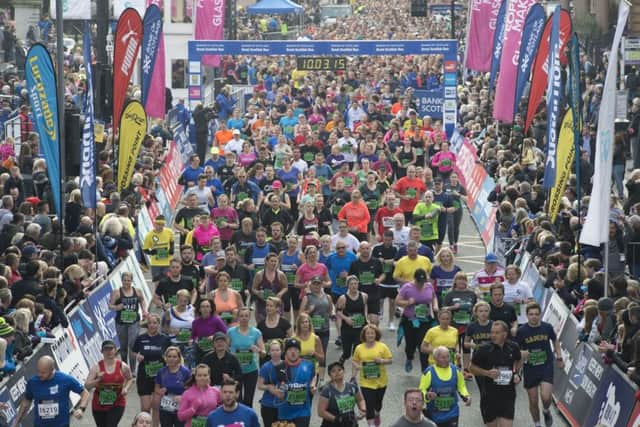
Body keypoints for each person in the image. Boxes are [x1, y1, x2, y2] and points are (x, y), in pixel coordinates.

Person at [515, 302, 563, 427]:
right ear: (527, 315)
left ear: (540, 314)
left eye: (536, 314)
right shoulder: (521, 331)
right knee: (533, 400)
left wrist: (559, 356)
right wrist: (517, 369)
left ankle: (546, 410)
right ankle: (537, 424)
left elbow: (555, 340)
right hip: (530, 368)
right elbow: (515, 351)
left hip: (546, 366)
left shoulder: (547, 327)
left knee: (546, 397)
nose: (534, 317)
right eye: (531, 314)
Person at [12, 355, 91, 427]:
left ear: (52, 369)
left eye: (43, 372)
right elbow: (26, 401)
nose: (39, 374)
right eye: (38, 371)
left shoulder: (65, 379)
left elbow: (85, 393)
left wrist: (81, 409)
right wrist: (17, 421)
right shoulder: (33, 382)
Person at [469, 321, 522, 427]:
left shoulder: (513, 347)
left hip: (508, 394)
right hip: (490, 395)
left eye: (497, 333)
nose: (493, 335)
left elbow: (519, 360)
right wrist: (487, 373)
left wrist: (516, 373)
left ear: (505, 334)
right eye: (492, 332)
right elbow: (471, 367)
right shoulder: (484, 349)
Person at [396, 268, 438, 373]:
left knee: (422, 344)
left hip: (425, 320)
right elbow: (397, 301)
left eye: (423, 282)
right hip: (410, 320)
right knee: (410, 344)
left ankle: (425, 369)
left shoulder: (428, 286)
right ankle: (409, 358)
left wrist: (435, 306)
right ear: (414, 279)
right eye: (419, 282)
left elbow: (433, 297)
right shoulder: (407, 287)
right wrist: (407, 302)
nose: (420, 284)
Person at [85, 339, 135, 427]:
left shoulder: (122, 366)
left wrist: (126, 388)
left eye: (111, 349)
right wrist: (97, 380)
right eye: (106, 349)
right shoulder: (96, 368)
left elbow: (130, 379)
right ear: (102, 351)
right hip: (99, 405)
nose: (109, 352)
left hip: (117, 403)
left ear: (115, 350)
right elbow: (87, 386)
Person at [133, 313, 172, 424]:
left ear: (158, 324)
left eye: (155, 323)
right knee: (145, 408)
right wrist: (137, 356)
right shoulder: (141, 338)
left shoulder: (165, 339)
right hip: (144, 376)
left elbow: (172, 353)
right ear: (147, 324)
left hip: (160, 377)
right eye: (150, 323)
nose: (152, 325)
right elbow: (133, 351)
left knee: (156, 406)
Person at [419, 346, 471, 427]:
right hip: (434, 413)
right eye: (443, 357)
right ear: (435, 358)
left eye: (448, 356)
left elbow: (461, 386)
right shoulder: (429, 372)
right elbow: (421, 390)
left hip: (452, 413)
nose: (446, 359)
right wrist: (427, 395)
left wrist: (466, 396)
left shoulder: (456, 370)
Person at [352, 324, 393, 427]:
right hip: (366, 382)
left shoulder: (382, 346)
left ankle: (377, 413)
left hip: (381, 381)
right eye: (368, 333)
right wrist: (356, 369)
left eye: (372, 333)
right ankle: (371, 424)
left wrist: (382, 361)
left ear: (376, 334)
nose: (370, 335)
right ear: (364, 335)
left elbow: (390, 360)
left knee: (378, 403)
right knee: (369, 403)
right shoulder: (359, 348)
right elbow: (355, 361)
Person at [227, 306, 265, 406]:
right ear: (238, 317)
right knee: (236, 399)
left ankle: (247, 421)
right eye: (241, 316)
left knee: (248, 400)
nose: (244, 318)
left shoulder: (256, 332)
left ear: (249, 317)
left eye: (246, 316)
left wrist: (258, 350)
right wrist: (231, 355)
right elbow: (225, 349)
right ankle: (237, 421)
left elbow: (264, 353)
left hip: (251, 370)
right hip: (235, 370)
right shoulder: (231, 332)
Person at [110, 271, 147, 371]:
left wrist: (144, 310)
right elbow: (110, 305)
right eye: (124, 280)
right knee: (123, 346)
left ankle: (133, 370)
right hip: (121, 322)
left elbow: (142, 300)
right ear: (121, 281)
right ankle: (124, 366)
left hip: (134, 321)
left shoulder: (137, 291)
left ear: (132, 281)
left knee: (132, 345)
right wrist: (117, 307)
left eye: (128, 280)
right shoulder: (117, 293)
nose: (126, 283)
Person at [442, 273, 477, 378]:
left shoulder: (471, 294)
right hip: (453, 325)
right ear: (455, 281)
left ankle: (466, 369)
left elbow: (475, 308)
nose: (462, 282)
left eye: (464, 280)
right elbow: (443, 309)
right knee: (454, 347)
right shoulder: (450, 294)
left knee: (466, 347)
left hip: (467, 325)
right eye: (459, 280)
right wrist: (453, 307)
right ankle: (455, 367)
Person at [277, 337, 317, 427]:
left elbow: (314, 376)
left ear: (299, 352)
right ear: (286, 352)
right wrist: (278, 392)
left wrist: (313, 386)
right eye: (290, 349)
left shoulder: (309, 364)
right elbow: (270, 385)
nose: (293, 352)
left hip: (303, 412)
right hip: (285, 412)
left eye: (296, 349)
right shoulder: (279, 366)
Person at [300, 275, 333, 378]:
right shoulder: (307, 297)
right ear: (311, 285)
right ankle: (310, 375)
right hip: (311, 331)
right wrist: (309, 311)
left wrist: (332, 315)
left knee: (322, 354)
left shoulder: (327, 297)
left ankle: (321, 379)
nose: (316, 286)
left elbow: (330, 310)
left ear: (322, 285)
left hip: (324, 329)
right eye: (314, 284)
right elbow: (301, 314)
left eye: (318, 284)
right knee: (310, 354)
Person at [318, 361, 366, 427]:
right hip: (332, 424)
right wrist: (337, 419)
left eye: (339, 370)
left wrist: (363, 410)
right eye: (333, 371)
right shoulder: (327, 390)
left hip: (350, 423)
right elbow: (321, 412)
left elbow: (360, 400)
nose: (337, 372)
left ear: (344, 371)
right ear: (330, 375)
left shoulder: (352, 387)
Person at [154, 346, 192, 427]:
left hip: (181, 407)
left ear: (179, 358)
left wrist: (183, 397)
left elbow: (191, 390)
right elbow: (156, 388)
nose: (171, 359)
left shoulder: (185, 372)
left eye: (174, 357)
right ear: (166, 358)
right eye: (169, 356)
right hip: (165, 408)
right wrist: (160, 391)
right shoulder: (161, 371)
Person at [336, 275, 368, 364]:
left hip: (360, 328)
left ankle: (354, 376)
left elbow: (365, 306)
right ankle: (341, 362)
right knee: (347, 353)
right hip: (347, 329)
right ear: (348, 285)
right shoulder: (343, 298)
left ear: (358, 284)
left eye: (355, 283)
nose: (354, 286)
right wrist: (346, 319)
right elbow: (338, 312)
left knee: (356, 352)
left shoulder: (364, 296)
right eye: (351, 284)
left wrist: (366, 318)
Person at [372, 230, 400, 331]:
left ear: (392, 239)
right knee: (380, 299)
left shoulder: (396, 248)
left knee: (392, 302)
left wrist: (387, 261)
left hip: (393, 279)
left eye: (389, 240)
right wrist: (379, 261)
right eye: (385, 239)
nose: (387, 241)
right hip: (381, 278)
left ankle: (391, 321)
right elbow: (373, 260)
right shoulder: (376, 248)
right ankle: (380, 311)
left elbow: (398, 261)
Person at [257, 339, 286, 427]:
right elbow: (260, 385)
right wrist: (269, 387)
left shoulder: (286, 365)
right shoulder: (265, 367)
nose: (275, 352)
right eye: (272, 350)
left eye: (277, 350)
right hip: (268, 404)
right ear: (269, 352)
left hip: (283, 404)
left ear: (281, 351)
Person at [190, 298, 228, 364]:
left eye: (207, 306)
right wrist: (194, 340)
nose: (205, 309)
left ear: (211, 309)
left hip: (214, 348)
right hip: (200, 349)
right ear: (199, 309)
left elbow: (225, 332)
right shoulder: (195, 322)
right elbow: (193, 336)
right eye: (203, 307)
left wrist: (214, 336)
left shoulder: (216, 320)